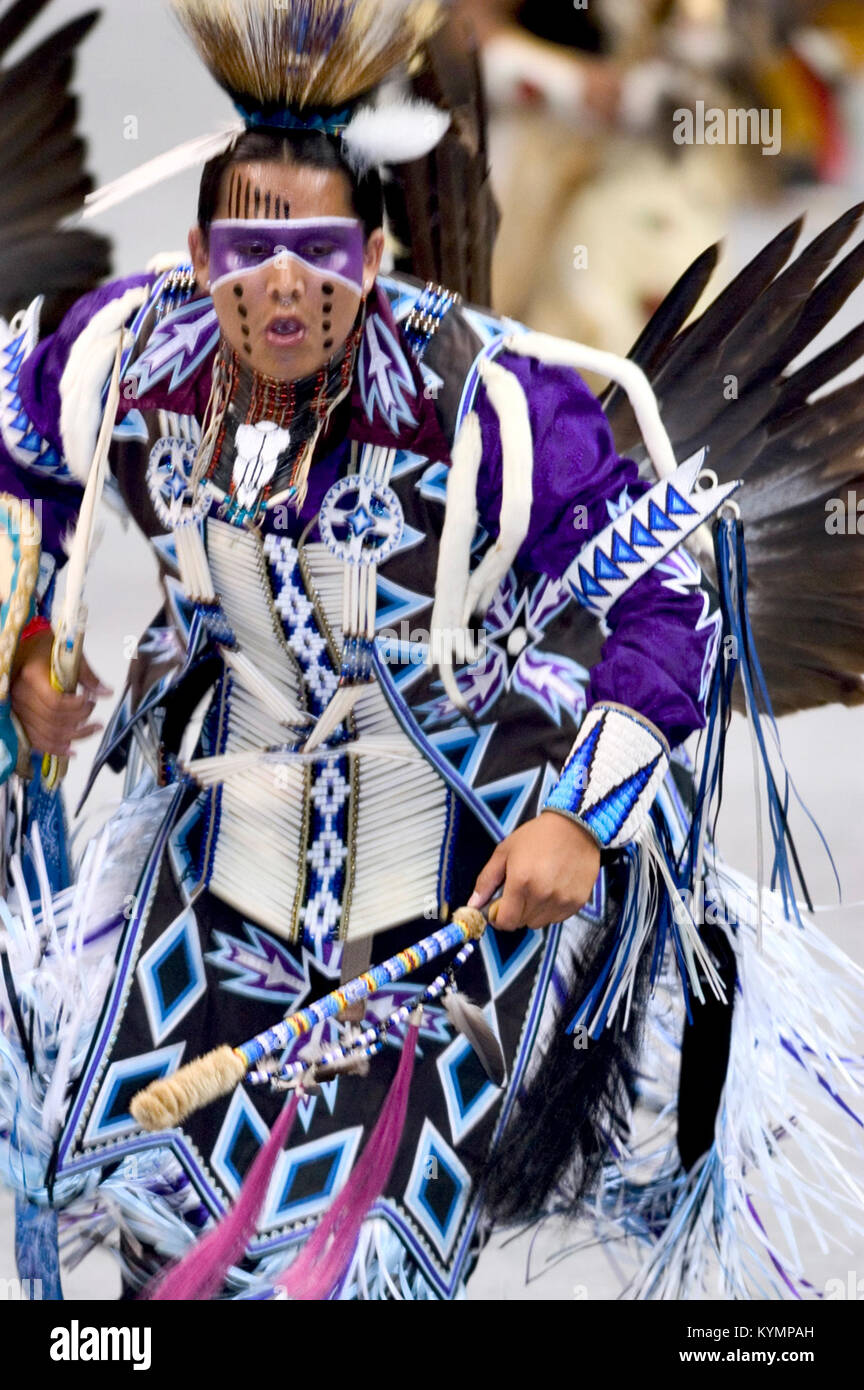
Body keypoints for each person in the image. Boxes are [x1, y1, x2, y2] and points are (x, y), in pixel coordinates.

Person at [1, 0, 862, 1301]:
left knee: (342, 1264)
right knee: (152, 1250)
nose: (283, 286)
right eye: (250, 249)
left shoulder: (491, 404)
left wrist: (580, 817)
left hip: (426, 902)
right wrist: (29, 625)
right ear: (196, 251)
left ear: (378, 254)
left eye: (322, 255)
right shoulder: (136, 349)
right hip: (197, 890)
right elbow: (21, 458)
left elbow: (666, 602)